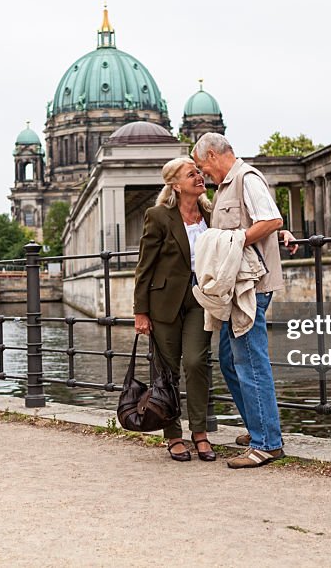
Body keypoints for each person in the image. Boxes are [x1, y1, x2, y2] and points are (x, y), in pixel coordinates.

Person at [191, 132, 292, 469]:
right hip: (237, 287)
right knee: (230, 359)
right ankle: (259, 426)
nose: (204, 174)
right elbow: (263, 223)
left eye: (203, 166)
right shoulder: (225, 187)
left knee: (249, 360)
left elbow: (271, 218)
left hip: (251, 286)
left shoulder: (246, 178)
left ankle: (267, 443)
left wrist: (236, 243)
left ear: (213, 155)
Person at [133, 157, 217, 462]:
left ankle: (200, 432)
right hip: (163, 302)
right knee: (166, 370)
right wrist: (140, 311)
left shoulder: (210, 212)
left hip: (200, 298)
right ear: (175, 184)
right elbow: (145, 266)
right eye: (191, 174)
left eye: (198, 172)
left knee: (196, 362)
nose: (199, 177)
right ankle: (173, 435)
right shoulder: (158, 216)